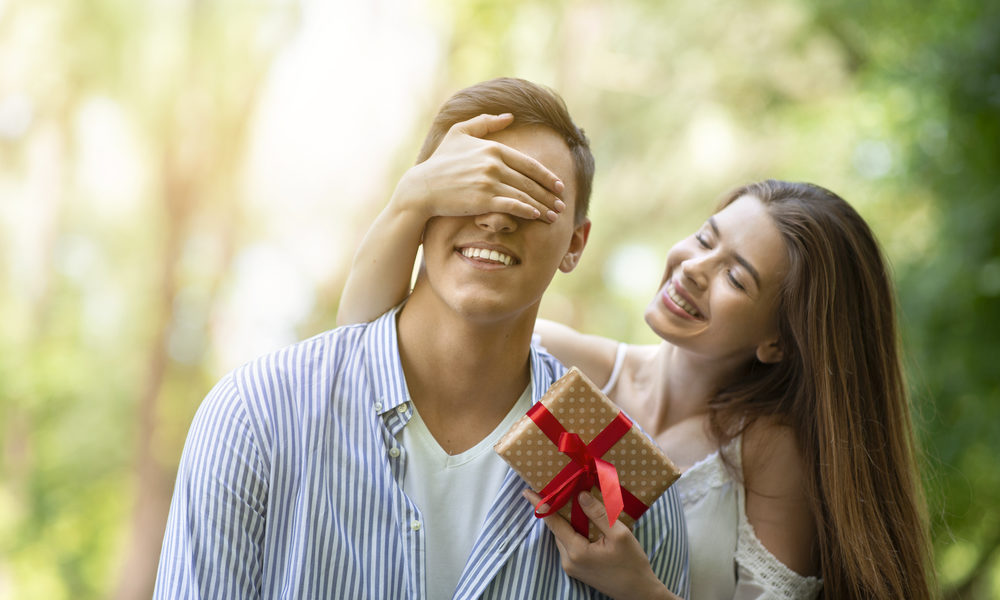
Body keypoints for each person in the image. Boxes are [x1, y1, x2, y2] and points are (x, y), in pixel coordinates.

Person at [154, 77, 690, 600]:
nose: (498, 216)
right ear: (423, 204)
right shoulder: (259, 414)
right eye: (475, 184)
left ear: (575, 244)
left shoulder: (621, 477)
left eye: (534, 197)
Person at [338, 167, 936, 597]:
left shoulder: (766, 451)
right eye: (706, 239)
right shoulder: (566, 364)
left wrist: (639, 589)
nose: (695, 269)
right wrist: (410, 199)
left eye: (737, 277)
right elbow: (368, 344)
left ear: (777, 341)